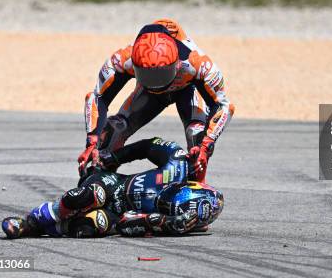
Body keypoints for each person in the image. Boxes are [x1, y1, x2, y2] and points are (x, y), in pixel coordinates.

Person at [78, 18, 235, 182]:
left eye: (162, 74)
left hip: (186, 90)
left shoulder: (197, 63)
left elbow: (224, 106)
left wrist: (206, 145)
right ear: (136, 65)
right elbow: (97, 97)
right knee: (112, 131)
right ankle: (98, 182)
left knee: (197, 135)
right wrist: (92, 142)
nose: (156, 82)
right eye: (147, 75)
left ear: (177, 64)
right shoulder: (122, 59)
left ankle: (197, 183)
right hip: (148, 95)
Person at [2, 137, 224, 239]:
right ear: (184, 186)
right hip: (112, 183)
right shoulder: (177, 163)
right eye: (170, 201)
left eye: (169, 209)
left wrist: (161, 222)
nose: (164, 205)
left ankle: (44, 229)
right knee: (87, 197)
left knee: (88, 227)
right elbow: (148, 146)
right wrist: (115, 157)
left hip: (116, 214)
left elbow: (126, 224)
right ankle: (29, 222)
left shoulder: (169, 220)